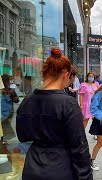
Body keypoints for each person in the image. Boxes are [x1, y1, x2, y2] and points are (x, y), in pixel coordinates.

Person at [16, 48, 92, 180]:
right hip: (61, 167)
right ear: (65, 74)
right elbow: (80, 148)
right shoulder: (68, 104)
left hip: (32, 166)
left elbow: (22, 136)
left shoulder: (27, 101)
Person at [1, 74, 19, 144]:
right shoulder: (6, 91)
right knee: (4, 130)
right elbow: (16, 101)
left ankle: (3, 142)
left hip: (7, 115)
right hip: (6, 115)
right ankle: (3, 142)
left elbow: (16, 100)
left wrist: (12, 95)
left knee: (4, 130)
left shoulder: (11, 91)